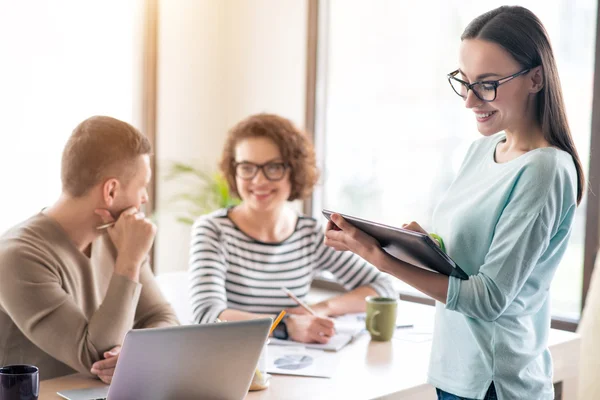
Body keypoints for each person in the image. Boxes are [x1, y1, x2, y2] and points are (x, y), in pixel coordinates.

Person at [324, 6, 583, 400]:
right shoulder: (482, 151)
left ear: (535, 78)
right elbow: (467, 264)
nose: (470, 101)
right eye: (465, 82)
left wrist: (380, 259)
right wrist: (420, 245)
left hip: (495, 383)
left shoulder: (546, 169)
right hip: (454, 370)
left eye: (488, 83)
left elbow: (489, 298)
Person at [0, 116, 179, 382]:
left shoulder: (119, 235)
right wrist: (129, 262)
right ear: (111, 190)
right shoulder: (18, 256)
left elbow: (163, 317)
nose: (145, 198)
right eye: (143, 186)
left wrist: (136, 356)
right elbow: (94, 358)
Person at [188, 113, 395, 344]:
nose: (258, 180)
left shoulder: (310, 234)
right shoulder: (213, 230)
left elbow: (384, 289)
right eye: (247, 168)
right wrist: (283, 326)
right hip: (236, 363)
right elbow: (207, 316)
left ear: (294, 171)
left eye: (273, 167)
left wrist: (323, 308)